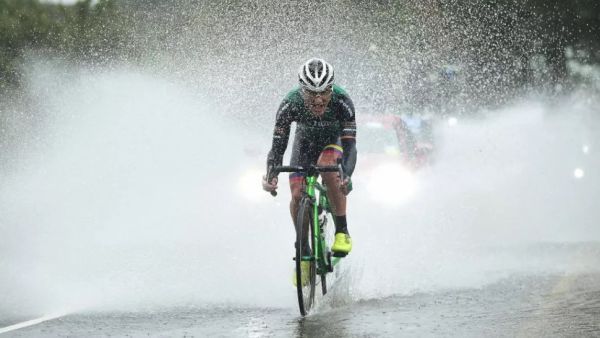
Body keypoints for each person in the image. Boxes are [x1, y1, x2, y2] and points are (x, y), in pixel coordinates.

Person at [262, 58, 357, 257]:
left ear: (331, 88)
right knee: (297, 194)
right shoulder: (290, 103)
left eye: (324, 92)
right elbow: (278, 147)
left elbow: (350, 146)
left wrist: (346, 174)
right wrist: (271, 173)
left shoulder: (342, 101)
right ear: (301, 90)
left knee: (327, 166)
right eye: (311, 93)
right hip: (304, 143)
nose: (318, 99)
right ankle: (303, 248)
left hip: (333, 141)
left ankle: (342, 231)